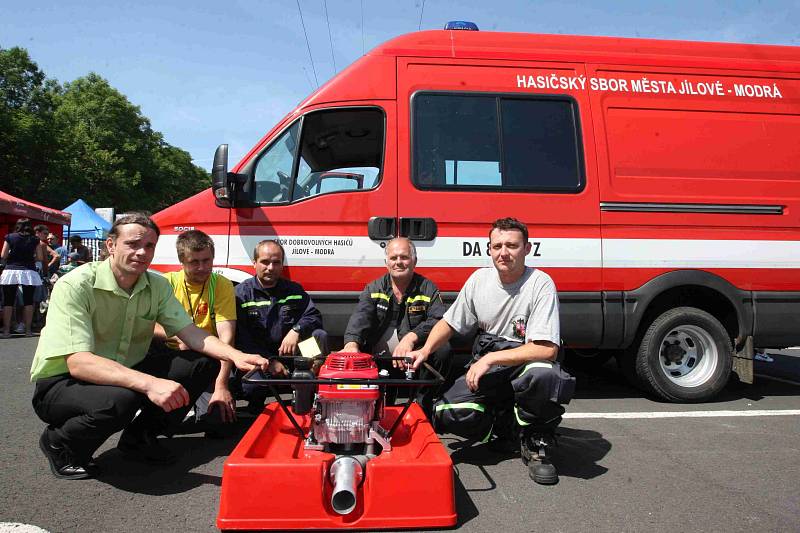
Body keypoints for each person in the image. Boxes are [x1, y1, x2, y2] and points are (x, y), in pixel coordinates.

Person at [30, 213, 269, 480]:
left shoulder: (156, 284)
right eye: (133, 244)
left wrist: (238, 356)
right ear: (111, 245)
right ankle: (60, 442)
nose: (142, 252)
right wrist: (150, 383)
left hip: (124, 368)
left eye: (150, 246)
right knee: (121, 400)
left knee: (203, 362)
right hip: (63, 381)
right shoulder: (76, 284)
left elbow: (191, 333)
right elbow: (78, 362)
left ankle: (139, 439)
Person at [407, 218, 575, 485]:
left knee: (545, 375)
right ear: (489, 249)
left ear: (527, 248)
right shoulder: (479, 279)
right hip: (492, 361)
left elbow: (547, 350)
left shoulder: (540, 283)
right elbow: (450, 322)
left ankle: (537, 441)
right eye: (497, 246)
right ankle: (504, 426)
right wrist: (425, 350)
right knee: (448, 412)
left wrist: (490, 358)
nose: (503, 252)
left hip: (524, 358)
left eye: (512, 245)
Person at [341, 237, 450, 414]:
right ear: (386, 263)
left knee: (443, 349)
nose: (398, 262)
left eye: (404, 257)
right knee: (381, 411)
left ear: (414, 261)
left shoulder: (428, 288)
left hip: (414, 355)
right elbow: (361, 316)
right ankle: (378, 405)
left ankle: (423, 405)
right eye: (393, 258)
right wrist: (351, 344)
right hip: (380, 358)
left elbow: (439, 319)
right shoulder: (374, 288)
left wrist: (411, 338)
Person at [154, 230, 238, 436]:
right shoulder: (165, 283)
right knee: (162, 425)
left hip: (208, 358)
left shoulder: (221, 284)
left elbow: (227, 339)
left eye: (207, 260)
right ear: (182, 261)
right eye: (194, 262)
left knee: (219, 422)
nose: (202, 268)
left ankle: (196, 406)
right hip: (172, 356)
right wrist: (178, 336)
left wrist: (221, 386)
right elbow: (147, 327)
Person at [234, 240, 328, 408]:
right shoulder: (241, 294)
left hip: (293, 358)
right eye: (265, 262)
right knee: (252, 386)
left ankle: (308, 386)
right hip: (260, 359)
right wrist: (269, 361)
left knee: (318, 336)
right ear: (254, 263)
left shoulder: (294, 290)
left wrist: (296, 330)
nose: (270, 267)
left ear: (282, 265)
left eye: (276, 262)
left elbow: (314, 316)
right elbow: (242, 339)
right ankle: (256, 406)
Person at [1, 218, 46, 337]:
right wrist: (29, 259)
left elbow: (3, 255)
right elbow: (40, 257)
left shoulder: (10, 237)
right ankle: (28, 331)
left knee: (8, 301)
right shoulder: (35, 240)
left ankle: (6, 331)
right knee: (28, 301)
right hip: (28, 272)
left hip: (11, 270)